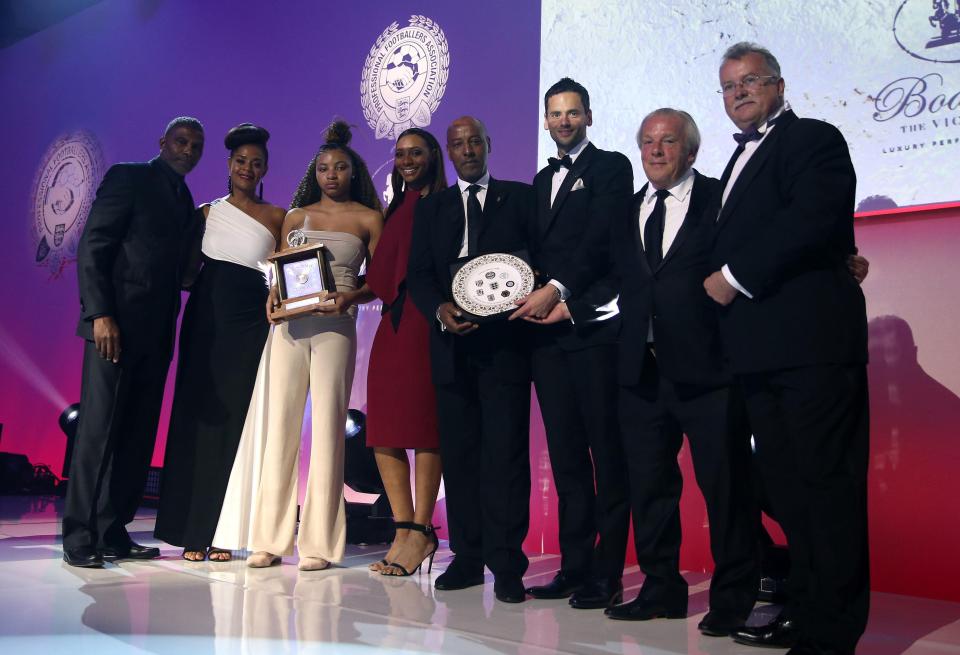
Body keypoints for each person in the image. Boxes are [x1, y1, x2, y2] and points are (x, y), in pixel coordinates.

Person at [704, 43, 869, 655]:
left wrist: (734, 277)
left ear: (778, 84)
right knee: (793, 493)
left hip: (812, 348)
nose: (739, 92)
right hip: (760, 354)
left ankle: (832, 632)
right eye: (728, 86)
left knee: (826, 490)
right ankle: (807, 613)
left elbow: (811, 220)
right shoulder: (736, 160)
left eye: (750, 81)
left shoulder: (814, 139)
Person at [601, 109, 759, 635]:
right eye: (647, 141)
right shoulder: (625, 210)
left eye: (668, 141)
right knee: (649, 486)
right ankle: (661, 588)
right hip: (640, 371)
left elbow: (754, 258)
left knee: (726, 487)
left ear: (690, 151)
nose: (656, 151)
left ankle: (733, 599)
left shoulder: (721, 198)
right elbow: (609, 276)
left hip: (709, 370)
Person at [214, 121, 383, 571]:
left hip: (335, 326)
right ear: (316, 171)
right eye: (324, 167)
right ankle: (268, 539)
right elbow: (281, 273)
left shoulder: (369, 219)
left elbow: (382, 280)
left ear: (353, 171)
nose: (331, 174)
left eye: (341, 167)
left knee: (330, 431)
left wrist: (351, 296)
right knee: (279, 430)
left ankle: (320, 545)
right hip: (288, 329)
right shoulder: (295, 216)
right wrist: (272, 295)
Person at [63, 116, 205, 567]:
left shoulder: (185, 200)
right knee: (98, 431)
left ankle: (112, 528)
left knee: (138, 435)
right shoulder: (130, 177)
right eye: (181, 141)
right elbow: (95, 245)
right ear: (163, 141)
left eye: (196, 146)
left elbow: (178, 270)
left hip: (157, 332)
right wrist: (99, 313)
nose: (188, 150)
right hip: (114, 327)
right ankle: (79, 535)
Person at [513, 78, 632, 609]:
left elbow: (601, 241)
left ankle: (608, 574)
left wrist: (558, 290)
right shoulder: (541, 180)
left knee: (606, 455)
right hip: (546, 340)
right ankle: (574, 566)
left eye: (573, 112)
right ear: (545, 121)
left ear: (589, 115)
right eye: (555, 113)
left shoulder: (612, 167)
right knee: (564, 461)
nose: (564, 121)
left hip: (590, 330)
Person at [406, 116, 534, 603]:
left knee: (505, 456)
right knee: (459, 456)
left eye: (475, 141)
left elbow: (532, 262)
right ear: (450, 152)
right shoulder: (432, 208)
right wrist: (439, 309)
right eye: (458, 144)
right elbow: (419, 275)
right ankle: (467, 556)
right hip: (451, 344)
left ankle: (508, 564)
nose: (467, 150)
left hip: (505, 346)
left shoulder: (519, 198)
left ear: (488, 145)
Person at [153, 123, 285, 562]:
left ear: (266, 167)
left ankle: (224, 530)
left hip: (250, 324)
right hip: (205, 319)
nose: (248, 168)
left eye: (256, 162)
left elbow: (287, 274)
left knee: (236, 424)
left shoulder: (278, 217)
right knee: (197, 417)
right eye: (241, 161)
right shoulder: (207, 213)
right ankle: (190, 530)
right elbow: (186, 271)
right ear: (229, 165)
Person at [365, 128, 447, 577]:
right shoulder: (398, 204)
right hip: (392, 323)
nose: (407, 160)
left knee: (422, 426)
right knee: (383, 428)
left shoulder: (445, 204)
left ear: (434, 155)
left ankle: (422, 527)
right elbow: (380, 272)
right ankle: (402, 528)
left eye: (416, 153)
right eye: (400, 155)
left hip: (424, 320)